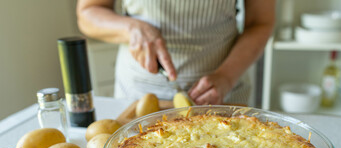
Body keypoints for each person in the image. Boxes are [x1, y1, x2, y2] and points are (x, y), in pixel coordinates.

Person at [77, 0, 275, 105]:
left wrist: (226, 76)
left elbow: (260, 23)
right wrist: (130, 28)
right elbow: (88, 11)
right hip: (139, 94)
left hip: (224, 92)